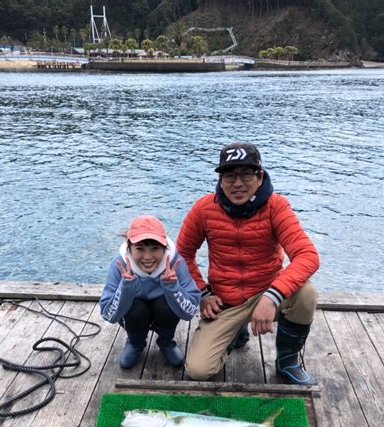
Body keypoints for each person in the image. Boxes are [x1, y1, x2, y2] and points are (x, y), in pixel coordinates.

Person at [177, 141, 319, 384]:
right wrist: (202, 292)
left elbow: (308, 255)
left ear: (260, 176)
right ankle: (234, 334)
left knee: (306, 293)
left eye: (246, 174)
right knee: (198, 371)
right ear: (221, 180)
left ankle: (287, 360)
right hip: (225, 301)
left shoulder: (277, 206)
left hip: (266, 293)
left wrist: (272, 296)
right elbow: (181, 255)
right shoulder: (203, 208)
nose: (238, 183)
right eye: (230, 176)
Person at [100, 215, 201, 369]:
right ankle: (135, 343)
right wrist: (126, 287)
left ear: (164, 247)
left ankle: (166, 342)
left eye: (155, 248)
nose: (147, 257)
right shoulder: (119, 264)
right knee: (136, 308)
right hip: (135, 313)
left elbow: (189, 313)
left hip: (163, 310)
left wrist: (172, 287)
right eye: (139, 248)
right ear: (129, 248)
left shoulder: (175, 263)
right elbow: (109, 315)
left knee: (165, 304)